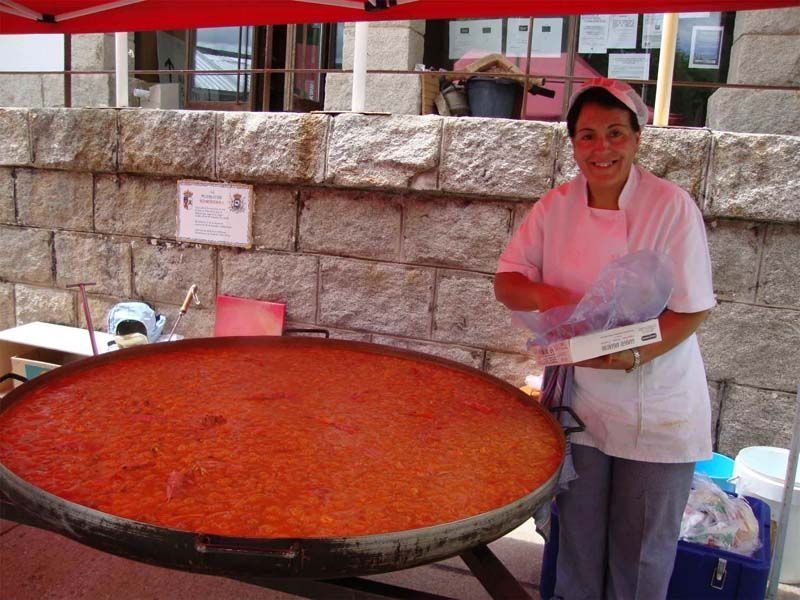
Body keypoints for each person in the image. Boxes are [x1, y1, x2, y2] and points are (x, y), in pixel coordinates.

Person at [494, 77, 716, 599]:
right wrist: (549, 296)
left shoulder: (670, 207)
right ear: (573, 144)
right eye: (587, 136)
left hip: (656, 402)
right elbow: (506, 282)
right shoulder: (555, 207)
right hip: (583, 401)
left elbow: (692, 310)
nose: (602, 148)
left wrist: (634, 353)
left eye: (615, 133)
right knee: (577, 540)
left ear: (636, 138)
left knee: (640, 556)